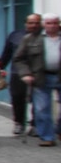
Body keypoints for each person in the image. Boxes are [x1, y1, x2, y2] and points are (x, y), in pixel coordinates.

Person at [11, 14, 61, 147]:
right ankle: (47, 137)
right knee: (42, 108)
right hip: (41, 76)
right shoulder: (31, 39)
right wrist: (26, 74)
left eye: (55, 23)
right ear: (44, 24)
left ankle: (59, 129)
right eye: (49, 23)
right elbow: (18, 59)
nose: (52, 26)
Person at [5, 13, 42, 136]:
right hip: (18, 73)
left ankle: (35, 124)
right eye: (31, 23)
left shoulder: (44, 36)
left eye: (37, 23)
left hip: (39, 72)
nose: (34, 25)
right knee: (17, 98)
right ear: (25, 24)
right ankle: (19, 123)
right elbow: (7, 54)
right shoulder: (15, 36)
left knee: (37, 99)